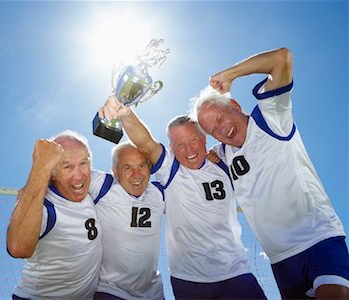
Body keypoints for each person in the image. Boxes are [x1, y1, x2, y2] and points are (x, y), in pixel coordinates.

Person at [192, 47, 349, 299]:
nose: (221, 130)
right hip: (281, 261)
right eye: (212, 130)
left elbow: (281, 59)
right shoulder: (224, 155)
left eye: (220, 118)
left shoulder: (269, 117)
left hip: (318, 240)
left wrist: (231, 74)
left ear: (234, 104)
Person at [99, 98, 266, 299]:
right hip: (189, 281)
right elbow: (145, 142)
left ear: (204, 139)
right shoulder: (171, 170)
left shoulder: (224, 163)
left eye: (193, 141)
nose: (189, 151)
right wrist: (125, 114)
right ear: (171, 147)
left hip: (236, 272)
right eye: (179, 145)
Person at [6, 131, 102, 299]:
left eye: (83, 163)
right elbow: (18, 247)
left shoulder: (93, 189)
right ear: (52, 172)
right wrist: (39, 167)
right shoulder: (44, 206)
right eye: (67, 167)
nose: (78, 175)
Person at [89, 142, 165, 300]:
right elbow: (67, 172)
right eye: (128, 167)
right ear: (115, 171)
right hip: (110, 289)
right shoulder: (103, 186)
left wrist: (210, 159)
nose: (137, 175)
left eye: (142, 166)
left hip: (153, 293)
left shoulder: (159, 193)